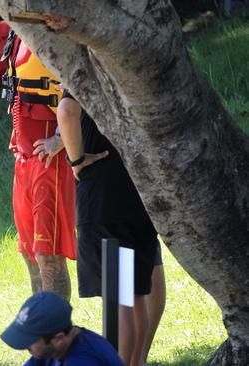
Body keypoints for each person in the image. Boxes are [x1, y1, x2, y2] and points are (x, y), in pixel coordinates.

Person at [35, 88, 158, 366]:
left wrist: (76, 160)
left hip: (105, 198)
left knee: (117, 301)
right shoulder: (123, 59)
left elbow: (66, 111)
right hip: (140, 191)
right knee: (135, 295)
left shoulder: (83, 66)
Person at [1, 32, 76, 300]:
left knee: (49, 256)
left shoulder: (51, 25)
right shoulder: (19, 28)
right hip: (24, 156)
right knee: (30, 255)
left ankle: (59, 336)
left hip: (49, 160)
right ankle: (42, 333)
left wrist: (60, 138)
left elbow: (86, 80)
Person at [1, 291, 124, 366]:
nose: (26, 347)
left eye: (30, 341)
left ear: (59, 338)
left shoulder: (83, 360)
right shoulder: (53, 349)